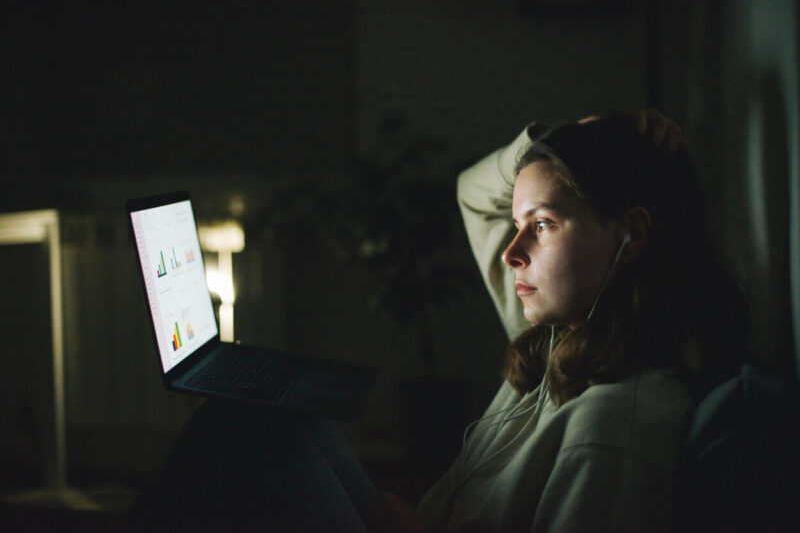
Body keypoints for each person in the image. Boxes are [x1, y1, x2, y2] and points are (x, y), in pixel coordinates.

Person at [131, 110, 750, 532]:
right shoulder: (563, 337)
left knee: (235, 436)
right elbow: (474, 193)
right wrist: (575, 135)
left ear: (631, 236)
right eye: (518, 226)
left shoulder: (615, 426)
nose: (511, 252)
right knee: (260, 416)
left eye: (542, 226)